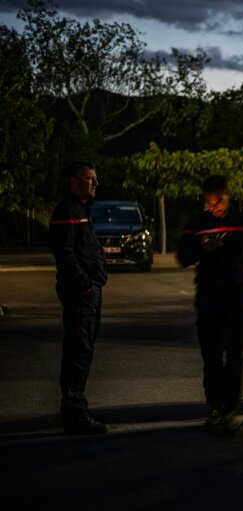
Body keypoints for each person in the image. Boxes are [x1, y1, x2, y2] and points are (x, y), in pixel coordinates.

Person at [177, 175, 243, 433]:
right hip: (208, 297)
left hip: (237, 298)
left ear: (228, 196)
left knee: (234, 354)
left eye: (218, 200)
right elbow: (182, 257)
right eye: (210, 202)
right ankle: (216, 407)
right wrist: (202, 247)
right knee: (211, 356)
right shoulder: (197, 225)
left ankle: (230, 407)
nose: (215, 206)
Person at [50, 161, 109, 435]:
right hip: (80, 293)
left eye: (95, 179)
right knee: (78, 349)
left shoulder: (81, 210)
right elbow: (66, 253)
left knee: (82, 348)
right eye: (88, 179)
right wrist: (85, 285)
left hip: (88, 290)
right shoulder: (68, 210)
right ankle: (75, 412)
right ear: (73, 181)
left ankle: (75, 407)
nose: (94, 184)